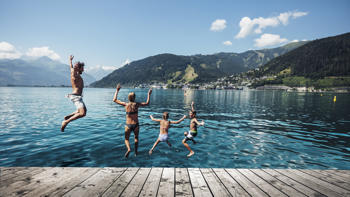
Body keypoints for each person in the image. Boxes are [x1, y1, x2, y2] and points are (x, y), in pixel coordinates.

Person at [113, 84, 152, 157]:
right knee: (136, 138)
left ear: (128, 98)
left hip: (128, 125)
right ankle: (136, 152)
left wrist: (117, 90)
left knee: (126, 139)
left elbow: (114, 100)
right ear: (134, 98)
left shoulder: (125, 104)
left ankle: (128, 149)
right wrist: (148, 94)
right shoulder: (137, 104)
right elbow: (147, 103)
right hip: (136, 124)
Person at [61, 55, 87, 132]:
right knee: (82, 113)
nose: (84, 69)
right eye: (82, 68)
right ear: (78, 68)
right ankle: (66, 122)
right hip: (76, 97)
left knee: (84, 112)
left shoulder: (76, 73)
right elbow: (72, 69)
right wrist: (74, 65)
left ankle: (68, 116)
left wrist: (70, 61)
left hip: (78, 97)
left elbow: (71, 67)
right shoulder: (74, 74)